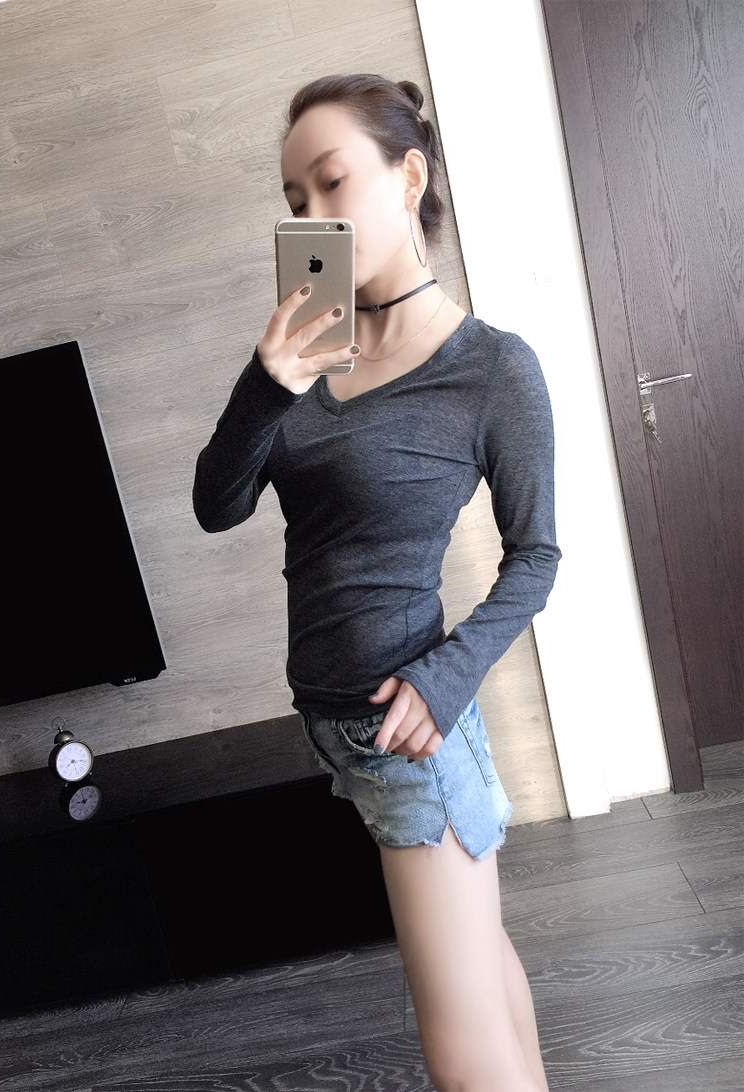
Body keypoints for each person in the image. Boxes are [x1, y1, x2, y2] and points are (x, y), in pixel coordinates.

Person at [193, 73, 559, 1092]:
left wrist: (444, 681)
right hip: (341, 730)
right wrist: (267, 383)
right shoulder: (304, 358)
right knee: (482, 974)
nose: (312, 213)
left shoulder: (491, 369)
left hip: (407, 736)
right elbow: (217, 503)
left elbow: (536, 556)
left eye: (331, 181)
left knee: (463, 1058)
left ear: (409, 178)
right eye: (294, 198)